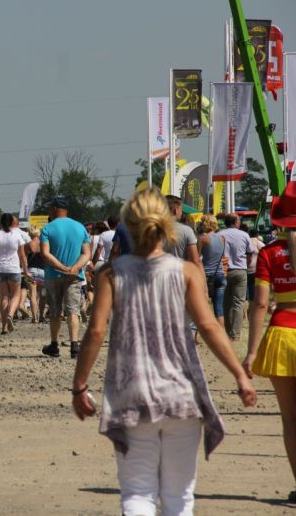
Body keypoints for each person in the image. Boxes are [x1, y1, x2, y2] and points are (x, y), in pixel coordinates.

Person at [72, 189, 256, 516]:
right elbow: (210, 328)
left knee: (137, 493)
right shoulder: (186, 272)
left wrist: (80, 385)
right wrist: (240, 375)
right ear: (167, 226)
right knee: (178, 497)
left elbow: (96, 331)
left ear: (128, 226)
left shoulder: (111, 275)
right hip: (181, 393)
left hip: (132, 392)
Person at [243, 181, 296, 505]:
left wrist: (251, 352)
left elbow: (260, 305)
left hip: (282, 336)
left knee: (291, 419)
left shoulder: (268, 253)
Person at [40, 197, 91, 359]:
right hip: (75, 276)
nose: (48, 210)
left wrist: (62, 268)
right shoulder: (80, 227)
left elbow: (45, 254)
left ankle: (54, 345)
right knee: (73, 311)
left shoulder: (47, 229)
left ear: (55, 209)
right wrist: (75, 268)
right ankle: (74, 346)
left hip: (53, 275)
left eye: (50, 208)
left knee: (55, 311)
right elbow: (86, 253)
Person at [0, 213, 29, 334]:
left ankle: (4, 327)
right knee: (15, 295)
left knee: (4, 297)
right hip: (14, 269)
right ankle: (10, 315)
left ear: (1, 222)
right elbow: (22, 255)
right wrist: (26, 271)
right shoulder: (17, 235)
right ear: (12, 223)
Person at [219, 213, 255, 341]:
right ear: (235, 222)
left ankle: (228, 331)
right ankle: (235, 333)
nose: (239, 222)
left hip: (224, 269)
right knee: (238, 302)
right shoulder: (244, 235)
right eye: (238, 220)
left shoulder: (220, 234)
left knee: (226, 302)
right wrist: (247, 264)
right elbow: (250, 253)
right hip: (240, 270)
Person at [196, 214, 226, 328]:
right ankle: (221, 335)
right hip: (220, 274)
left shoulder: (203, 238)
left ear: (204, 223)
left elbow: (196, 258)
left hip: (207, 275)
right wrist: (225, 273)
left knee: (201, 306)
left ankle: (197, 336)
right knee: (219, 310)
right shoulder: (222, 238)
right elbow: (225, 258)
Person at [164, 195, 203, 273]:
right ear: (175, 210)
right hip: (180, 277)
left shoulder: (152, 229)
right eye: (181, 209)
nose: (181, 213)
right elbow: (195, 260)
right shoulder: (186, 230)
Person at [25, 227, 46, 324]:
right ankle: (41, 315)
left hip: (31, 271)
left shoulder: (28, 245)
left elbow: (24, 259)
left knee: (32, 294)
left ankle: (35, 317)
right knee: (42, 294)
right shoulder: (43, 244)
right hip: (42, 271)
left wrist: (25, 271)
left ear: (29, 234)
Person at [247, 228, 265, 303]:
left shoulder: (247, 242)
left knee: (249, 288)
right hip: (257, 269)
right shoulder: (259, 243)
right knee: (257, 287)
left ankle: (250, 303)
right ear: (257, 235)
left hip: (246, 269)